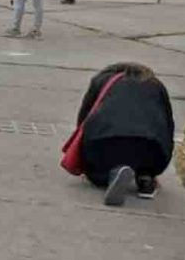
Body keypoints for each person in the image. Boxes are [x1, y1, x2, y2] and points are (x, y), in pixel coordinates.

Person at [72, 63, 174, 205]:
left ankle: (110, 174)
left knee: (97, 173)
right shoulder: (156, 85)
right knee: (144, 156)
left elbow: (84, 117)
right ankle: (145, 177)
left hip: (105, 140)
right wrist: (159, 162)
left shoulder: (101, 81)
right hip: (150, 145)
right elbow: (168, 125)